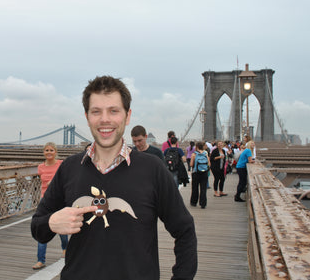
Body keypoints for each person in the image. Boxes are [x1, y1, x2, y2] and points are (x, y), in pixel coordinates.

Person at [31, 75, 197, 280]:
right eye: (96, 111)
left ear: (127, 116)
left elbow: (185, 231)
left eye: (113, 111)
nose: (104, 119)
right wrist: (51, 222)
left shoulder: (152, 169)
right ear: (87, 116)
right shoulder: (69, 169)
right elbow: (38, 228)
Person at [32, 142, 69, 270]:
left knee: (60, 228)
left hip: (59, 201)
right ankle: (40, 260)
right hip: (45, 201)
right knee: (42, 228)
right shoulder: (40, 167)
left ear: (55, 152)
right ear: (43, 152)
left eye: (51, 150)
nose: (49, 152)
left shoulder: (61, 164)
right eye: (46, 150)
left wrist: (53, 184)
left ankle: (65, 248)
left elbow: (66, 179)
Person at [190, 141, 210, 209]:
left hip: (196, 173)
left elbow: (191, 164)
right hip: (204, 173)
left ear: (196, 147)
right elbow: (209, 164)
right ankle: (203, 203)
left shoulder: (194, 154)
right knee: (203, 188)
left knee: (195, 188)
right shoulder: (205, 154)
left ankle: (194, 202)